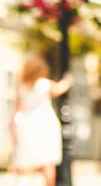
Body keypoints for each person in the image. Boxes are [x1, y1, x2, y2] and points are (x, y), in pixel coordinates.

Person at [11, 55, 73, 186]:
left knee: (27, 163)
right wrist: (67, 80)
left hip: (27, 126)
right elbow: (59, 89)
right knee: (48, 163)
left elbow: (16, 108)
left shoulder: (21, 85)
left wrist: (13, 130)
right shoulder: (43, 83)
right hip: (45, 125)